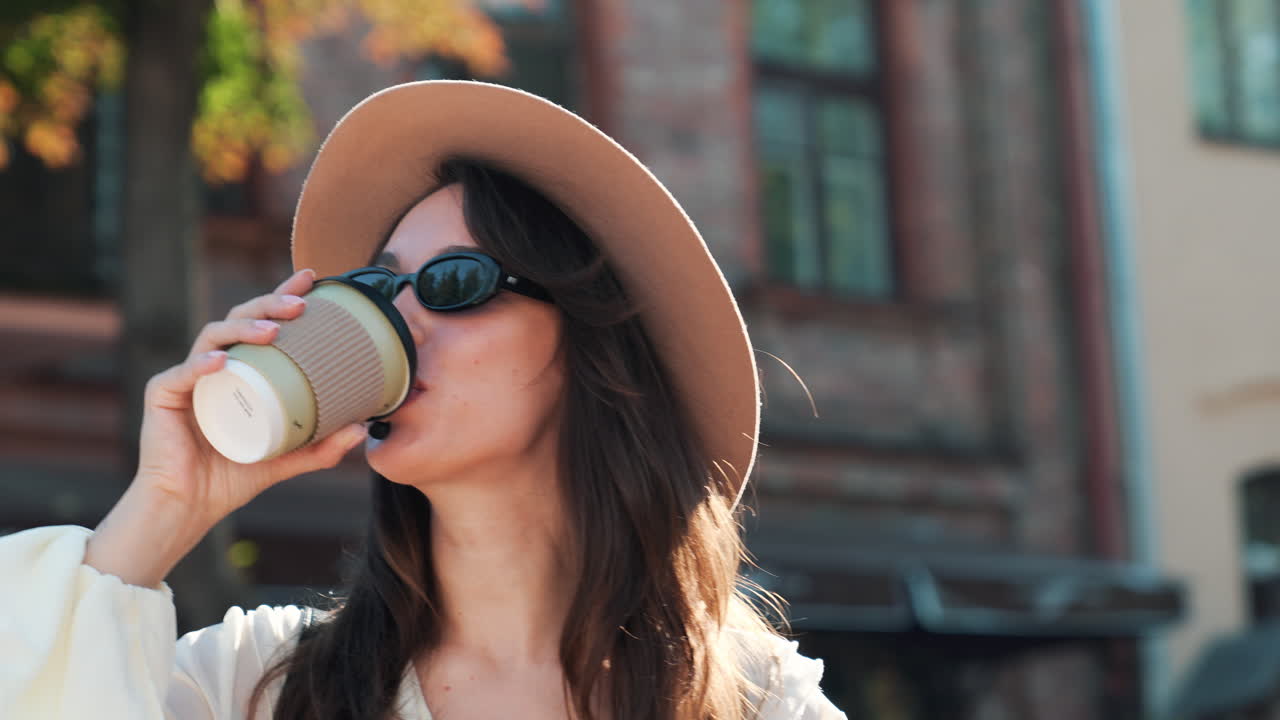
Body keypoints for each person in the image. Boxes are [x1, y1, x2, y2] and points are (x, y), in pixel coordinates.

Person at [0, 81, 846, 720]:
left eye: (450, 283)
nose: (389, 321)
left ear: (592, 346)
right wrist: (165, 507)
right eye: (374, 287)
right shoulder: (256, 689)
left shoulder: (755, 703)